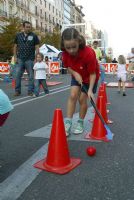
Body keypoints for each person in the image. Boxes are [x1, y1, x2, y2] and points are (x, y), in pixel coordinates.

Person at [61, 28, 99, 136]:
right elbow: (68, 67)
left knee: (82, 99)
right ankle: (68, 123)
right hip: (76, 74)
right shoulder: (64, 54)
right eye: (68, 47)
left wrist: (90, 90)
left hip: (89, 77)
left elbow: (93, 73)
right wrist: (75, 73)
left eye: (74, 47)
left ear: (79, 42)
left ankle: (80, 123)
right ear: (64, 45)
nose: (71, 50)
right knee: (73, 95)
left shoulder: (89, 53)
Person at [13, 21, 40, 96]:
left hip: (30, 59)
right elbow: (15, 46)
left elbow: (37, 47)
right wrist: (15, 57)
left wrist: (36, 58)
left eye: (29, 27)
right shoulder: (18, 35)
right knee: (17, 75)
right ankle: (17, 91)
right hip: (20, 58)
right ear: (23, 27)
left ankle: (30, 91)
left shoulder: (34, 36)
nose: (28, 28)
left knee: (31, 75)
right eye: (27, 27)